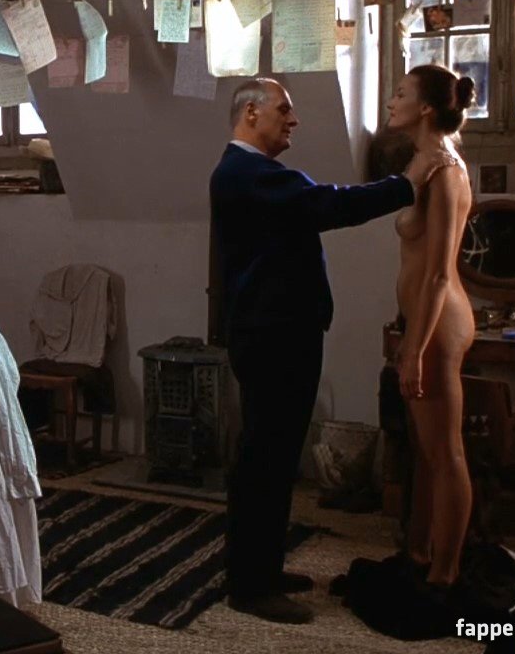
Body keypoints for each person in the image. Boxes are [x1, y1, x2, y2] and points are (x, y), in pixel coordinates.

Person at [209, 77, 440, 624]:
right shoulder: (246, 173)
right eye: (283, 110)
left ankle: (261, 569)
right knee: (265, 459)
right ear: (250, 113)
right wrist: (408, 183)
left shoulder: (255, 174)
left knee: (274, 455)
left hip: (278, 331)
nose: (293, 120)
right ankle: (250, 587)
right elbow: (332, 205)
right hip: (272, 336)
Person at [384, 64, 476, 590]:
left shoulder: (445, 170)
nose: (391, 101)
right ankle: (419, 553)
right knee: (426, 450)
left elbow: (440, 273)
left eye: (400, 93)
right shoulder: (424, 163)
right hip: (422, 320)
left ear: (424, 108)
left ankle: (445, 574)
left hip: (438, 324)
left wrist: (414, 349)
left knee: (446, 452)